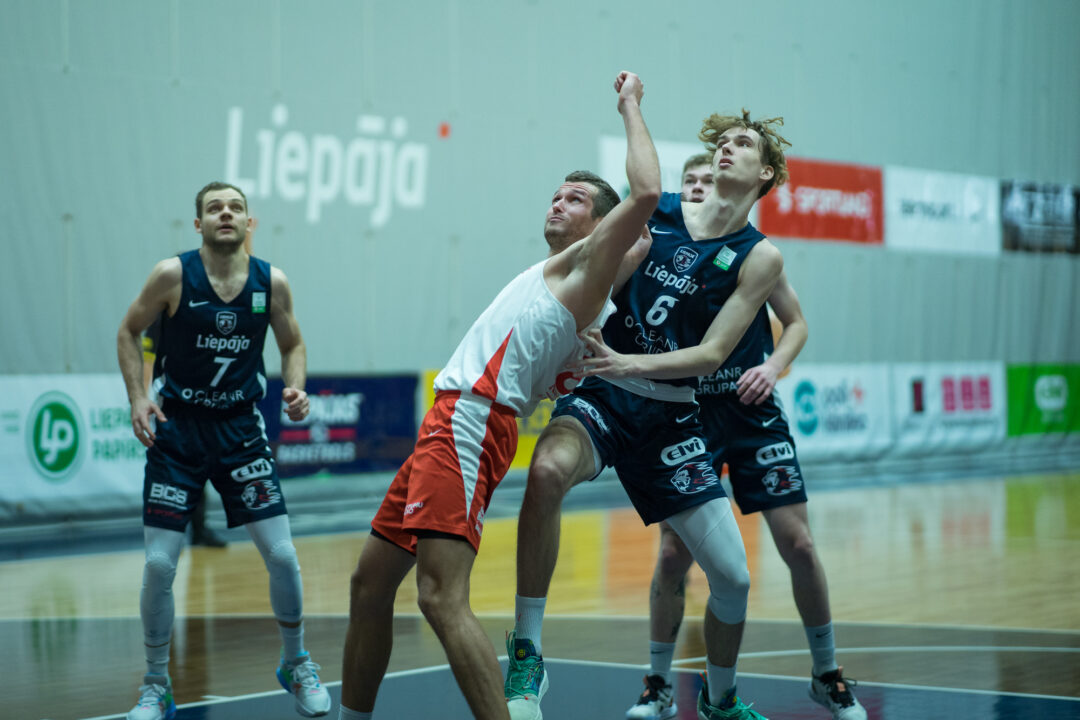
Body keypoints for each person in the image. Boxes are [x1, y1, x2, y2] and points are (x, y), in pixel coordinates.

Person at [336, 70, 660, 720]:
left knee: (439, 596)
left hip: (470, 420)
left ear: (604, 227)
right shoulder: (574, 282)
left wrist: (629, 105)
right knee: (370, 584)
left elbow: (647, 197)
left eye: (575, 199)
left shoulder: (586, 271)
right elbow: (641, 243)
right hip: (452, 422)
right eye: (555, 195)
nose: (557, 203)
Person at [504, 110, 792, 720]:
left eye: (743, 144)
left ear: (765, 173)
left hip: (670, 416)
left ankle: (719, 700)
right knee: (547, 471)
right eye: (723, 141)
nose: (727, 148)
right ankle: (527, 651)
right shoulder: (656, 210)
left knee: (734, 580)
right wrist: (631, 104)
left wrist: (630, 363)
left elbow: (713, 353)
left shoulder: (760, 256)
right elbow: (596, 265)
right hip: (602, 393)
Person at [623, 158, 866, 720]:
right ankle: (658, 684)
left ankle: (827, 673)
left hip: (751, 411)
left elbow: (797, 322)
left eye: (707, 180)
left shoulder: (754, 252)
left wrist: (773, 365)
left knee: (799, 545)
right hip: (688, 412)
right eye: (690, 183)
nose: (698, 189)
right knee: (673, 553)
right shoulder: (662, 240)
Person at [117, 182, 331, 719]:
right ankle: (155, 684)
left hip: (239, 431)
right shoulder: (173, 275)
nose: (226, 214)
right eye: (215, 208)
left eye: (236, 207)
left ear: (249, 221)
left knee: (282, 555)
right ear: (199, 224)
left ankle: (296, 662)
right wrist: (139, 396)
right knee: (159, 565)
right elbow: (128, 331)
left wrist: (296, 386)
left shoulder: (270, 282)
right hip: (178, 431)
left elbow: (292, 343)